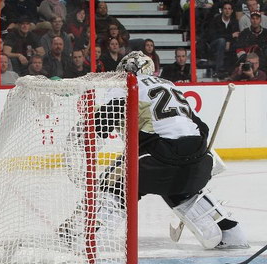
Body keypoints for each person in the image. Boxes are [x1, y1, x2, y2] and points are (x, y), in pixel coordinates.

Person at [100, 51, 249, 249]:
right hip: (200, 161)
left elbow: (101, 125)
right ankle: (230, 232)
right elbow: (202, 128)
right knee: (180, 184)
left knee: (116, 179)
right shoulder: (169, 85)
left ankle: (92, 234)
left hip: (159, 161)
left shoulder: (127, 85)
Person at [205, 2, 240, 78]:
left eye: (229, 9)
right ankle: (218, 70)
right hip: (214, 45)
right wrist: (229, 37)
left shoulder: (234, 22)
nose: (227, 11)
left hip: (229, 45)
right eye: (225, 8)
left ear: (232, 11)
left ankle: (232, 73)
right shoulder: (215, 20)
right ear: (222, 10)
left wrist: (228, 41)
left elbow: (236, 35)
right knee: (221, 41)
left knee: (235, 45)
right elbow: (213, 36)